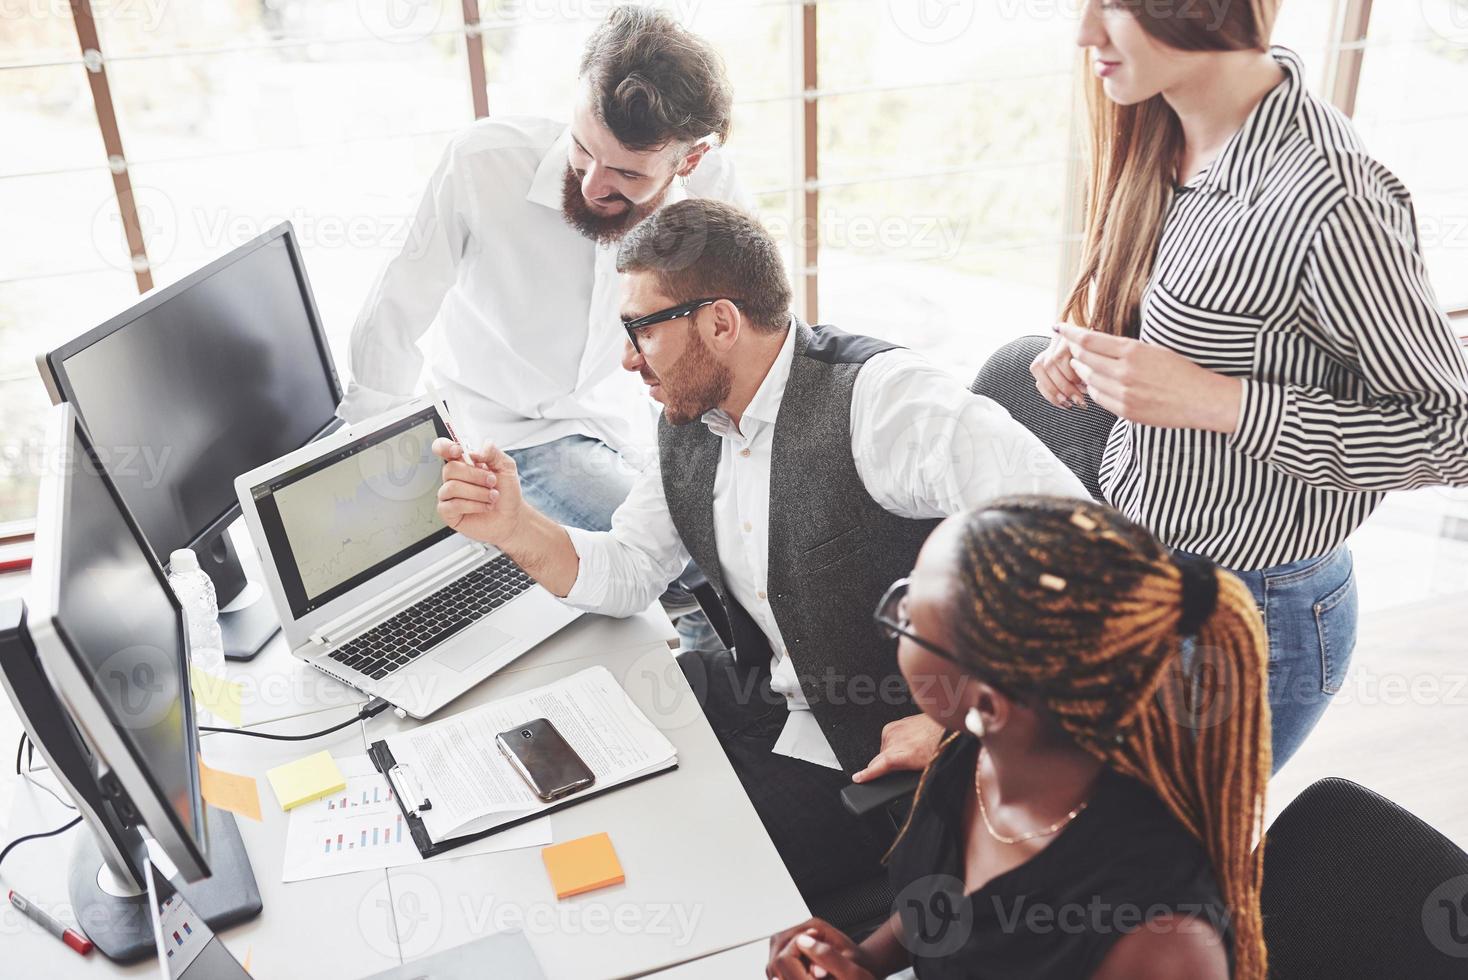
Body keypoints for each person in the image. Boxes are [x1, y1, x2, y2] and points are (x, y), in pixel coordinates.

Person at [432, 199, 1087, 899]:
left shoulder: (884, 405)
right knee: (570, 762)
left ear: (720, 322)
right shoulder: (689, 418)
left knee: (664, 872)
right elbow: (629, 571)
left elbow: (1081, 552)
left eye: (640, 332)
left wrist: (956, 723)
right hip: (766, 697)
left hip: (874, 757)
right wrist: (514, 527)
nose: (627, 360)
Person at [1022, 0, 1468, 770]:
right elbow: (1205, 339)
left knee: (1172, 872)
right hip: (1147, 570)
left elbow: (1450, 434)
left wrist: (1219, 402)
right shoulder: (1163, 132)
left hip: (1249, 618)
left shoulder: (1335, 201)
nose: (1085, 34)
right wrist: (1101, 357)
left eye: (1115, 8)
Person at [338, 6, 746, 648]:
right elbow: (395, 311)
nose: (590, 184)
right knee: (697, 555)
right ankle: (714, 682)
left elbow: (749, 330)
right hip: (510, 435)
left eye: (627, 174)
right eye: (583, 148)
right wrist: (380, 471)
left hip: (629, 423)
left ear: (688, 161)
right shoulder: (482, 163)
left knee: (740, 531)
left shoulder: (713, 189)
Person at [768, 497, 1272, 979]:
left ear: (988, 703)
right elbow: (949, 902)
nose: (895, 621)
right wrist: (861, 958)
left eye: (912, 618)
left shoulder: (1159, 943)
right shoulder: (971, 756)